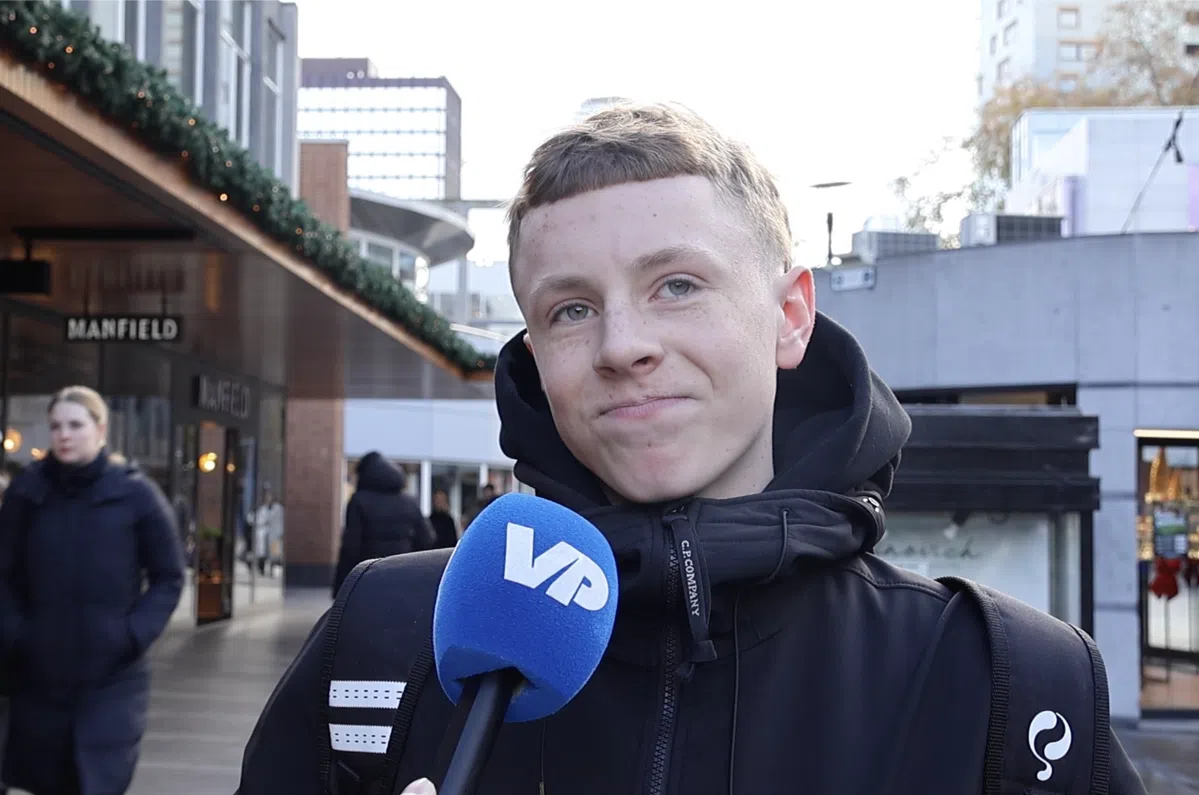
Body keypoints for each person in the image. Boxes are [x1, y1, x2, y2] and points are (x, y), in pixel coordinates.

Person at [236, 104, 1146, 795]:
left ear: (789, 315)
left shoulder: (1009, 681)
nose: (622, 344)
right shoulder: (384, 637)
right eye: (571, 308)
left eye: (676, 284)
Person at [0, 386, 184, 795]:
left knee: (99, 779)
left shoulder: (136, 494)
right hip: (40, 674)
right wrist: (17, 633)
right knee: (48, 780)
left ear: (100, 429)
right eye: (56, 427)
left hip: (111, 676)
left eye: (76, 425)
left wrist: (132, 634)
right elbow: (3, 573)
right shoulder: (28, 493)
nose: (65, 435)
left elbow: (169, 577)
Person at [331, 452, 435, 595]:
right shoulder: (409, 502)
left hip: (369, 576)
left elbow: (351, 547)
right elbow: (427, 539)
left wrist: (341, 586)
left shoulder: (359, 501)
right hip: (404, 575)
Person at [250, 486, 285, 577]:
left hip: (274, 535)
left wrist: (281, 534)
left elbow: (281, 522)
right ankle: (262, 570)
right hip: (263, 534)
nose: (268, 498)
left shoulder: (278, 509)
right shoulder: (262, 509)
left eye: (269, 496)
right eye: (266, 496)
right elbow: (255, 520)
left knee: (274, 555)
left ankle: (272, 571)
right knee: (262, 554)